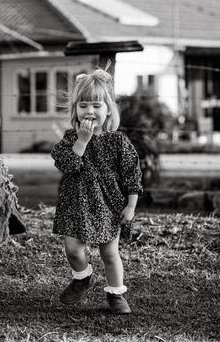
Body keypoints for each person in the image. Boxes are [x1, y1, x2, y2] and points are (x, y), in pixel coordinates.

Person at [51, 69, 142, 314]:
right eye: (83, 105)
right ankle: (83, 277)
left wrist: (130, 205)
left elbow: (132, 174)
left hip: (108, 205)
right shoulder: (71, 138)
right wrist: (82, 141)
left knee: (110, 254)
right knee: (73, 250)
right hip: (77, 204)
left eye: (96, 105)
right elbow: (65, 165)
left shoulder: (118, 142)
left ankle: (116, 294)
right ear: (75, 111)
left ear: (108, 110)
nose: (89, 111)